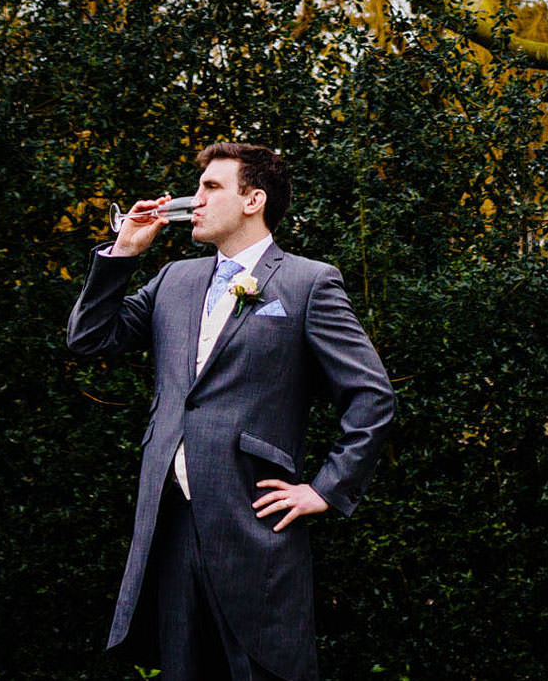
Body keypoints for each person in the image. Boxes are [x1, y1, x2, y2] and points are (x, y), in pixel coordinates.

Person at [66, 143, 394, 681]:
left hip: (255, 527)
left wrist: (327, 488)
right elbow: (90, 338)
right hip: (169, 525)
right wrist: (123, 252)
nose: (193, 200)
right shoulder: (174, 280)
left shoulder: (308, 283)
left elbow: (372, 396)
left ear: (253, 199)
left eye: (210, 188)